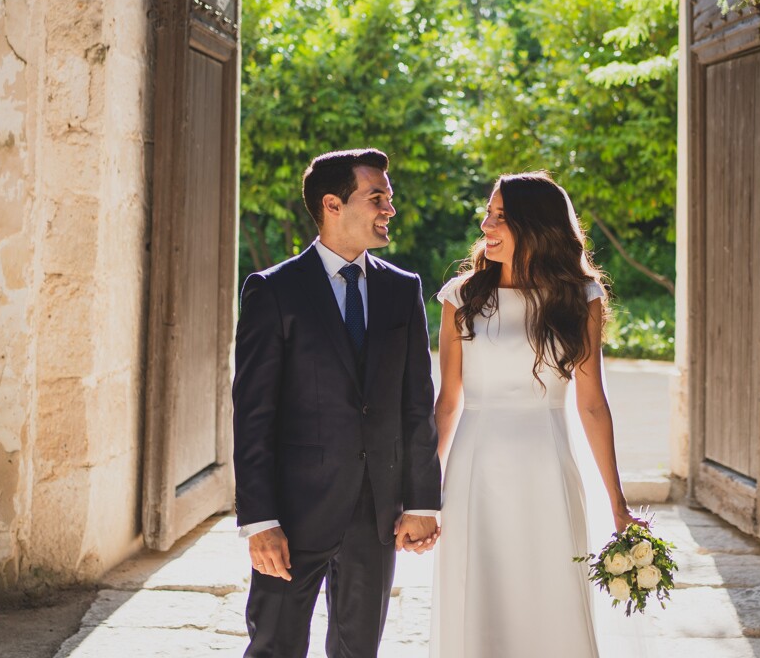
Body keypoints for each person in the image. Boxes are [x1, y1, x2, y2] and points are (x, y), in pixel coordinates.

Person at [232, 148, 442, 658]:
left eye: (388, 199)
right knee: (274, 646)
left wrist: (421, 501)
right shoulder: (273, 291)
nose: (389, 209)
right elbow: (253, 415)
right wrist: (260, 521)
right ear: (332, 204)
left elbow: (417, 403)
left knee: (358, 650)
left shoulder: (403, 289)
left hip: (376, 511)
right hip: (293, 512)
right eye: (377, 198)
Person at [430, 172, 641, 658]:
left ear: (535, 225)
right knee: (476, 595)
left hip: (547, 466)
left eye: (500, 216)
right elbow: (448, 401)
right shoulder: (460, 297)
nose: (486, 224)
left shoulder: (579, 298)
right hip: (474, 469)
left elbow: (592, 403)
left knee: (550, 594)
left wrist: (617, 503)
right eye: (488, 212)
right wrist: (421, 492)